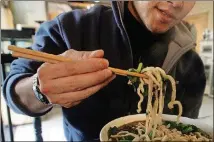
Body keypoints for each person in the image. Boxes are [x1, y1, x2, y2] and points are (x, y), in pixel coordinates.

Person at [3, 1, 206, 141]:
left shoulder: (191, 62)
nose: (178, 3)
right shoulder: (72, 27)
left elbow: (185, 127)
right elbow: (15, 88)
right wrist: (38, 89)